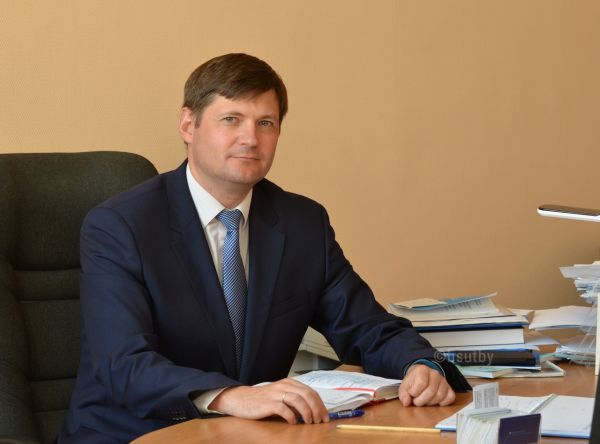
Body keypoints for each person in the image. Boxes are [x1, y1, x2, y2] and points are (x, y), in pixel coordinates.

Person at [58, 53, 470, 443]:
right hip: (135, 434)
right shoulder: (120, 226)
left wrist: (419, 365)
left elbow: (366, 326)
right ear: (188, 124)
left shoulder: (302, 223)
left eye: (266, 123)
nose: (250, 139)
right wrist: (229, 396)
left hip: (252, 434)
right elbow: (124, 365)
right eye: (231, 119)